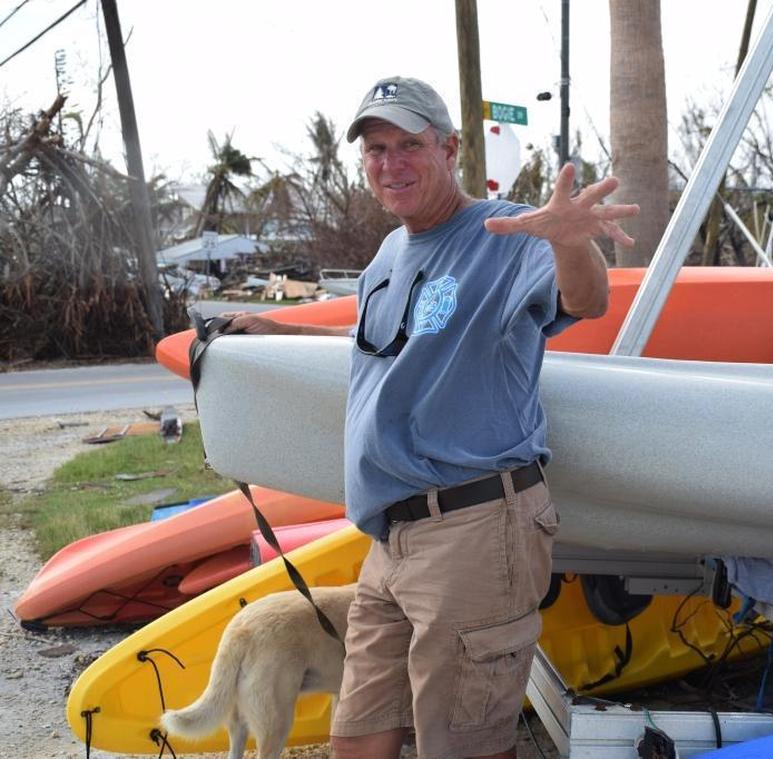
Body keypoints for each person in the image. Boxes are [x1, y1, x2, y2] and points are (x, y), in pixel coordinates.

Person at [226, 75, 638, 758]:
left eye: (409, 145)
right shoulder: (389, 254)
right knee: (356, 738)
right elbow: (386, 348)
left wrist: (570, 239)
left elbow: (585, 299)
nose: (391, 164)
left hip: (474, 531)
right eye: (376, 149)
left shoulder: (506, 234)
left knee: (465, 746)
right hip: (391, 541)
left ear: (449, 148)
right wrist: (274, 330)